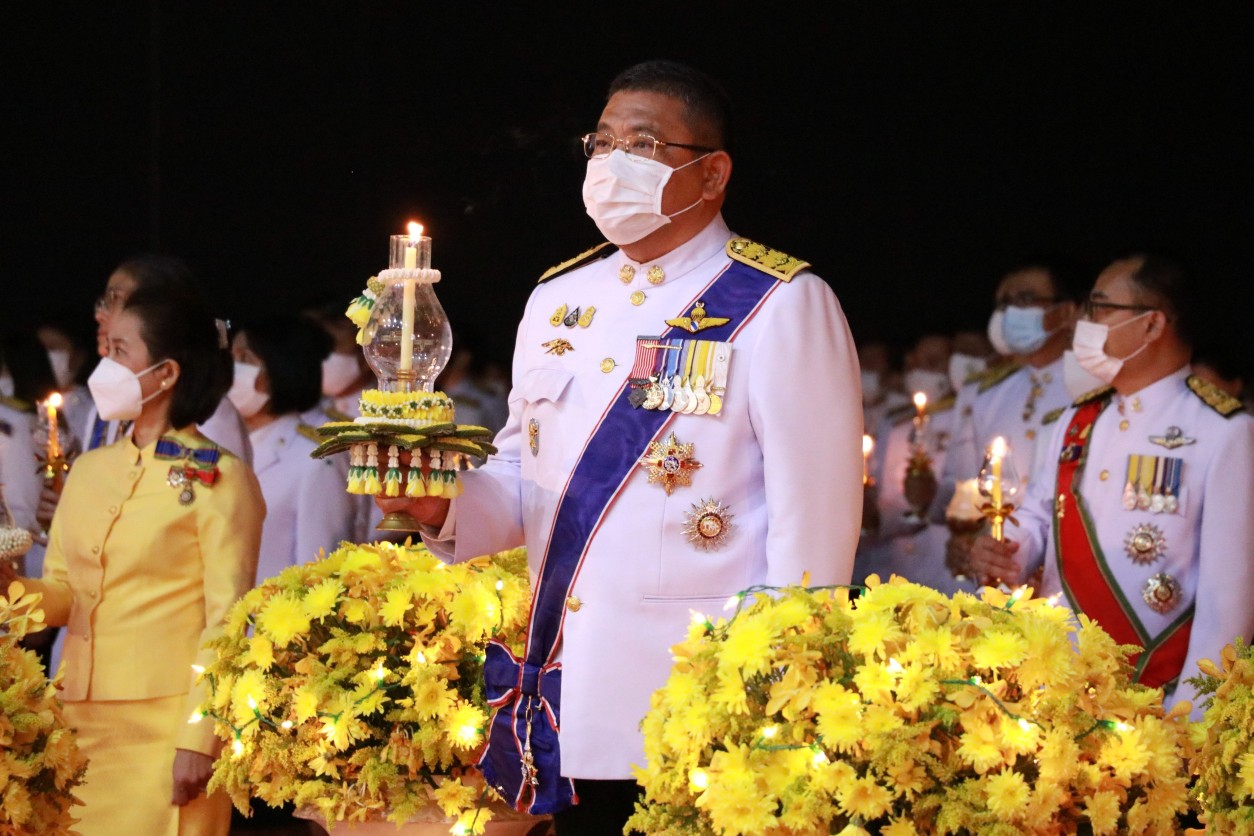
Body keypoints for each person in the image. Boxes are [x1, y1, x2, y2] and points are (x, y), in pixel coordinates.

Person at [378, 60, 862, 832]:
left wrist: (776, 702)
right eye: (601, 143)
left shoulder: (781, 302)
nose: (611, 164)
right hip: (565, 689)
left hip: (700, 707)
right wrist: (444, 502)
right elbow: (525, 473)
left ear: (711, 174)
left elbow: (814, 540)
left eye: (642, 145)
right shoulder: (557, 298)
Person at [0, 284, 264, 836]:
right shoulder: (91, 470)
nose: (104, 365)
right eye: (105, 350)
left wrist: (200, 737)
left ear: (166, 373)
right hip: (75, 723)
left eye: (120, 352)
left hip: (168, 728)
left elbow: (229, 622)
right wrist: (8, 588)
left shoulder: (221, 477)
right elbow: (64, 594)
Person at [967, 253, 1254, 714]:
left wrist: (1193, 718)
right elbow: (1040, 512)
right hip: (1053, 681)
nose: (1086, 321)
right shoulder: (1077, 419)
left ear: (1152, 325)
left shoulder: (1221, 430)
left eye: (1099, 308)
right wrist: (1006, 548)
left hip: (1152, 696)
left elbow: (1228, 602)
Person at [943, 260, 1081, 578]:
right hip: (997, 573)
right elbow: (964, 486)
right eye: (1004, 303)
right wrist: (964, 539)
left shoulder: (1090, 388)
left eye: (1024, 299)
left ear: (1066, 311)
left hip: (1063, 577)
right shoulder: (986, 393)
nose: (1009, 313)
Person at [86, 254, 252, 464]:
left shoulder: (209, 418)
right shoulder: (108, 405)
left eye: (115, 299)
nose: (101, 315)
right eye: (102, 302)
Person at [228, 316, 355, 583]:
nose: (231, 369)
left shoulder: (317, 459)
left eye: (246, 359)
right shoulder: (227, 445)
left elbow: (320, 574)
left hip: (271, 621)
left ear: (279, 369)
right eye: (232, 356)